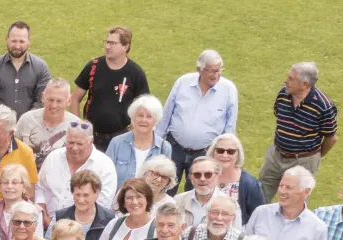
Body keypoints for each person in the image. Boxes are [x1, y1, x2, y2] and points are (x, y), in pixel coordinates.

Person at [258, 61, 338, 202]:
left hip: (303, 161)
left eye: (291, 79)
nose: (286, 81)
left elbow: (331, 138)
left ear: (304, 84)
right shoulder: (283, 94)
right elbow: (279, 116)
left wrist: (315, 156)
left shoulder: (323, 106)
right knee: (260, 195)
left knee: (295, 202)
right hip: (275, 156)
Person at [158, 50, 238, 186]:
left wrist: (224, 155)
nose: (216, 75)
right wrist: (157, 143)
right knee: (164, 190)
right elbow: (166, 115)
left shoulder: (228, 89)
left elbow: (229, 127)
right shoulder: (183, 82)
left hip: (205, 154)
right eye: (211, 71)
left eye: (219, 70)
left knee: (197, 196)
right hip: (173, 148)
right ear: (199, 70)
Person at [72, 26, 149, 151]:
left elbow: (144, 106)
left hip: (120, 138)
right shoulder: (93, 67)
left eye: (113, 43)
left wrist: (135, 129)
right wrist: (78, 126)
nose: (108, 47)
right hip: (91, 137)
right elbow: (75, 98)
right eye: (107, 42)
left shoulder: (135, 73)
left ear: (125, 46)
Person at [35, 122, 116, 214]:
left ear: (91, 141)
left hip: (85, 225)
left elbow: (103, 204)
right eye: (70, 143)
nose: (74, 148)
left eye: (79, 144)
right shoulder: (53, 157)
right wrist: (43, 216)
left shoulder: (105, 165)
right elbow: (40, 188)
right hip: (47, 222)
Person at [0, 21, 50, 117]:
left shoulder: (41, 68)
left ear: (29, 41)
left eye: (22, 41)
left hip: (29, 126)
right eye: (14, 41)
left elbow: (42, 101)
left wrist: (25, 121)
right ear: (6, 39)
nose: (17, 46)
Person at [105, 95, 171, 185]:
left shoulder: (164, 147)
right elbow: (105, 176)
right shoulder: (117, 143)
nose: (144, 120)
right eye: (140, 115)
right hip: (119, 198)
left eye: (149, 117)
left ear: (155, 120)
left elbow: (165, 182)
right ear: (133, 118)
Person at [15, 79, 79, 168]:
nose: (54, 105)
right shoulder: (26, 120)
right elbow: (12, 150)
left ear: (69, 101)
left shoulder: (77, 126)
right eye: (50, 100)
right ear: (43, 98)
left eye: (59, 101)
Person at [55, 170, 115, 240]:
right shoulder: (60, 217)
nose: (81, 200)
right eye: (77, 195)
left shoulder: (111, 219)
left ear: (97, 194)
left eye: (86, 195)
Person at [208, 132, 266, 221]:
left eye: (231, 152)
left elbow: (260, 216)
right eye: (220, 150)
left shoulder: (250, 184)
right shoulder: (201, 176)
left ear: (238, 155)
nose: (225, 155)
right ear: (213, 153)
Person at [0, 163, 38, 240]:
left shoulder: (35, 210)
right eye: (5, 182)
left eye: (14, 182)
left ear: (24, 187)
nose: (9, 186)